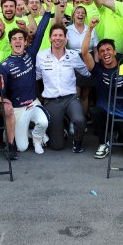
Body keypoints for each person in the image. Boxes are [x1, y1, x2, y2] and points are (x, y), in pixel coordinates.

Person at [80, 19, 123, 160]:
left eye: (108, 50)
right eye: (102, 51)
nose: (105, 53)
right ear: (99, 56)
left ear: (114, 51)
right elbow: (84, 52)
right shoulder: (97, 69)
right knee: (96, 111)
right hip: (106, 114)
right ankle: (103, 143)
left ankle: (118, 135)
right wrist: (90, 29)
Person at [0, 9, 53, 155]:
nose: (17, 41)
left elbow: (40, 32)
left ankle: (37, 139)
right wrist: (4, 104)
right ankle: (15, 132)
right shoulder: (4, 66)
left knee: (44, 122)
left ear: (25, 41)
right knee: (22, 147)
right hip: (17, 109)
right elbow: (2, 91)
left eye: (20, 39)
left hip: (33, 103)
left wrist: (48, 11)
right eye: (14, 39)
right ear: (10, 43)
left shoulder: (30, 53)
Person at [36, 22, 89, 152]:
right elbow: (36, 76)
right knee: (57, 146)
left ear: (66, 39)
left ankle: (77, 142)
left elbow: (86, 72)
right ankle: (62, 128)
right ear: (50, 38)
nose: (57, 38)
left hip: (70, 98)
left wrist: (97, 68)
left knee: (79, 120)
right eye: (55, 35)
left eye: (61, 35)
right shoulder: (41, 55)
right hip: (52, 101)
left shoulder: (73, 55)